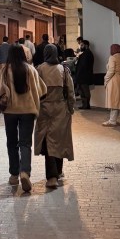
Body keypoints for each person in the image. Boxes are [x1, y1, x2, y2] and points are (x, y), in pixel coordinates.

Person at [0, 44, 46, 194]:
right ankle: (25, 172)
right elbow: (42, 91)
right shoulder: (31, 69)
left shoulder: (5, 70)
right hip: (28, 111)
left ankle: (13, 175)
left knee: (12, 143)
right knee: (25, 143)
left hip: (10, 112)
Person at [35, 45, 75, 188]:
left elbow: (34, 90)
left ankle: (52, 177)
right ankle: (58, 171)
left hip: (44, 109)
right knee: (59, 140)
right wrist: (70, 108)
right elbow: (70, 92)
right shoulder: (63, 69)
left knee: (48, 142)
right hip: (60, 109)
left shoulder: (39, 69)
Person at [102, 44, 120, 126]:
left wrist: (106, 79)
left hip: (113, 79)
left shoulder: (112, 58)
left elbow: (111, 70)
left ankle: (112, 121)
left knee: (114, 100)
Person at [73, 39, 95, 110]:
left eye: (82, 45)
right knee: (82, 91)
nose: (80, 47)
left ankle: (86, 105)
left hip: (83, 76)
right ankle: (85, 104)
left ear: (86, 45)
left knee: (85, 91)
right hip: (83, 76)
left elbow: (83, 66)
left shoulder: (87, 54)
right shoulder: (86, 53)